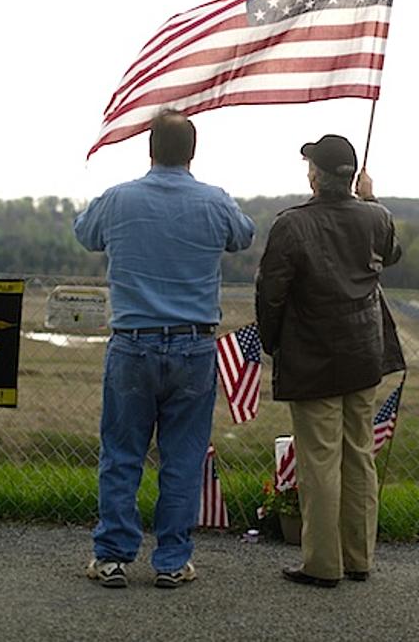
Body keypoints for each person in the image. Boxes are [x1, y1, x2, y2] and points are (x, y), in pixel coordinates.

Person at [74, 109, 255, 589]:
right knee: (183, 459)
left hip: (133, 345)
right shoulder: (214, 202)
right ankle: (172, 560)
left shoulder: (117, 199)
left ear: (149, 149)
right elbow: (244, 235)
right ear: (193, 153)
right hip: (194, 347)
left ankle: (112, 556)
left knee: (121, 453)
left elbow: (84, 234)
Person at [254, 133, 405, 588]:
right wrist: (372, 198)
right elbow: (392, 252)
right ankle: (358, 558)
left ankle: (322, 564)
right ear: (351, 177)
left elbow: (270, 294)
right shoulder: (376, 217)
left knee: (319, 461)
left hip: (313, 358)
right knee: (359, 455)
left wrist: (272, 342)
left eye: (310, 167)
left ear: (315, 177)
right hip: (364, 354)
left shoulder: (291, 225)